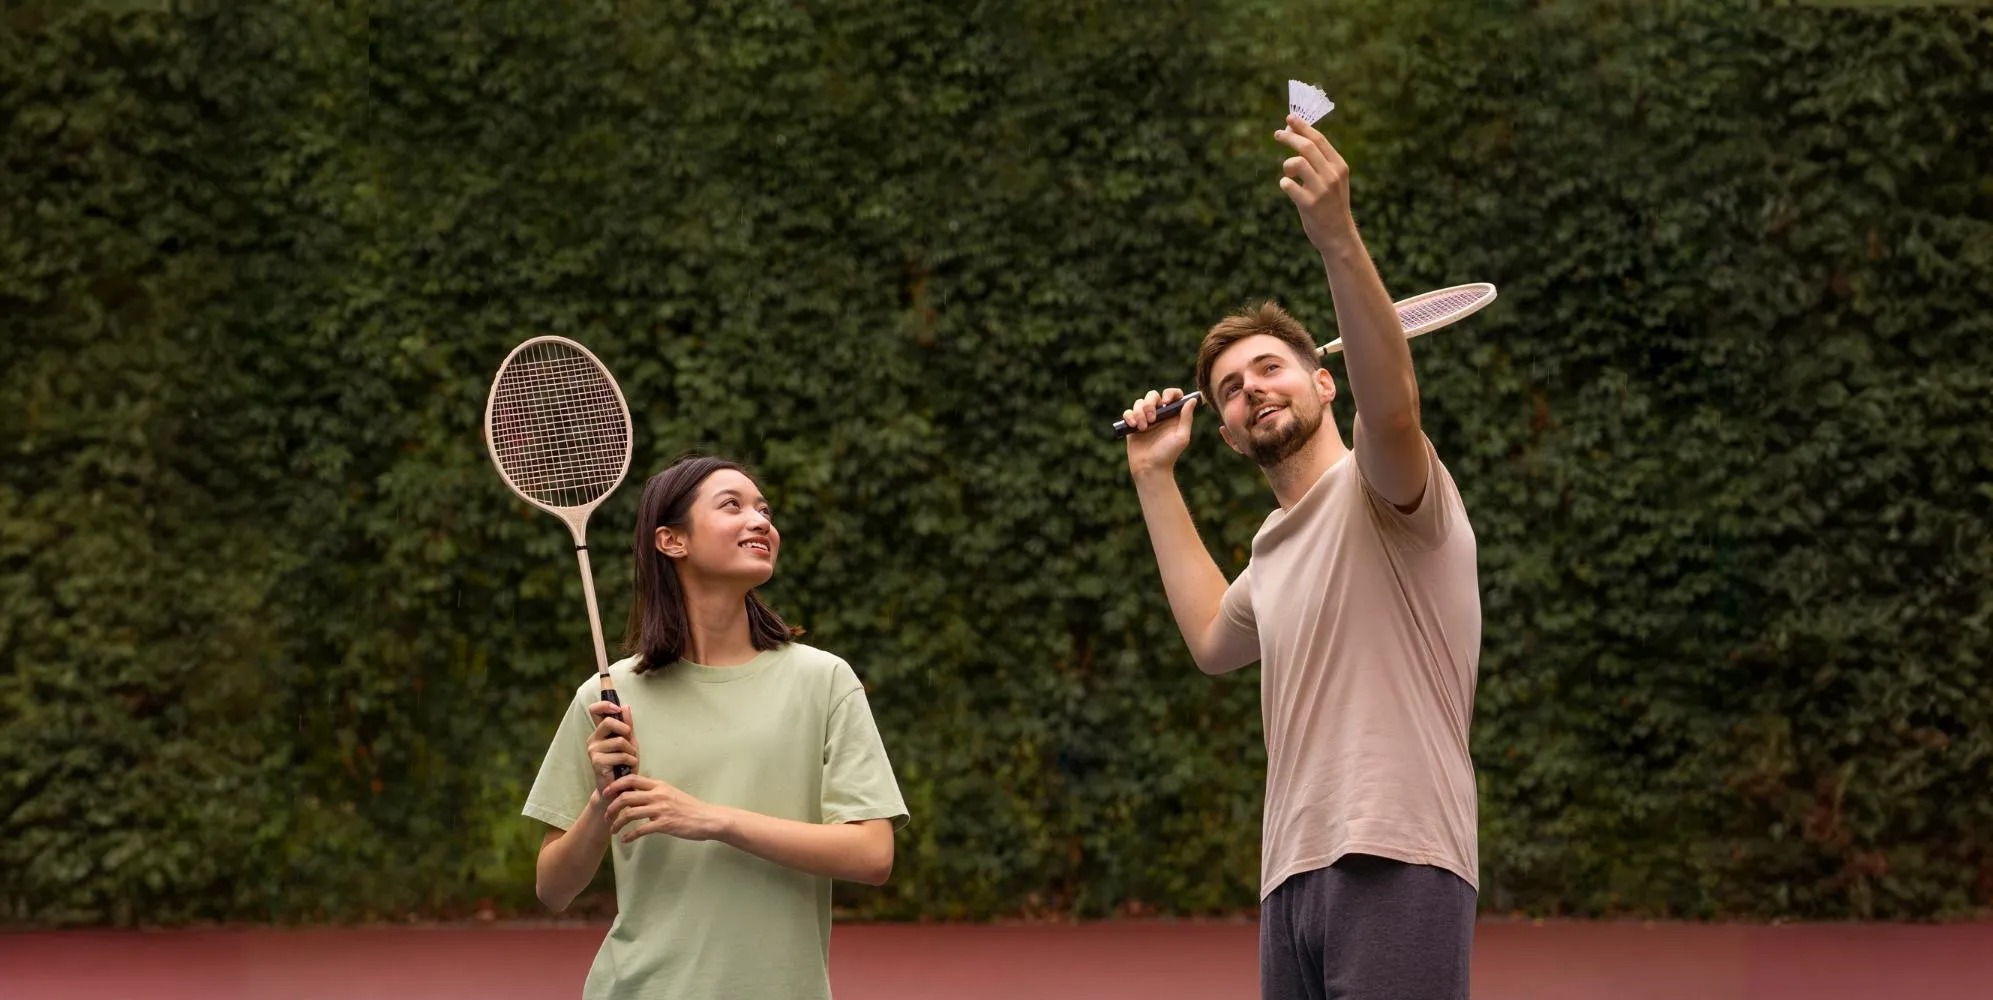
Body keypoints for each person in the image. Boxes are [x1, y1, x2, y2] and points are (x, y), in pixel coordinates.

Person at [1119, 113, 1483, 999]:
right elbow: (1211, 638)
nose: (1250, 392)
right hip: (1290, 875)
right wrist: (1152, 475)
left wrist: (1335, 236)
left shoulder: (1385, 486)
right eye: (1229, 390)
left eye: (1268, 368)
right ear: (1231, 436)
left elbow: (1391, 400)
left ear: (1323, 380)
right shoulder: (1274, 548)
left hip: (1398, 853)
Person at [523, 454, 909, 1000]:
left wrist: (712, 820)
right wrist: (601, 804)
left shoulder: (824, 680)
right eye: (733, 505)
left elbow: (873, 855)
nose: (760, 522)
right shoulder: (607, 696)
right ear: (671, 541)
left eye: (764, 510)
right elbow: (552, 889)